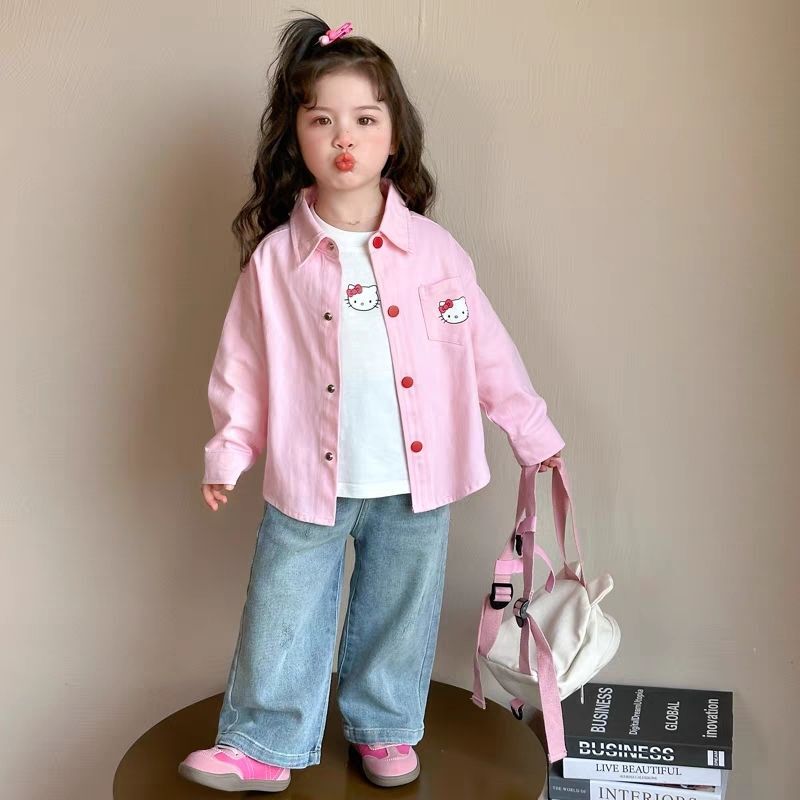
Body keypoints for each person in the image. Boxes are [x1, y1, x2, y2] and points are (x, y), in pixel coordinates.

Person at [178, 12, 565, 793]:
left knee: (399, 609)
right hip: (309, 478)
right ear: (295, 137)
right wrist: (229, 449)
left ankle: (385, 731)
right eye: (321, 120)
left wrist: (533, 433)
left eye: (364, 118)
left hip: (417, 481)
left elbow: (488, 351)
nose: (343, 138)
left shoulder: (435, 253)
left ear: (395, 135)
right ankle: (262, 745)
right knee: (283, 611)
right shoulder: (277, 261)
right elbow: (242, 366)